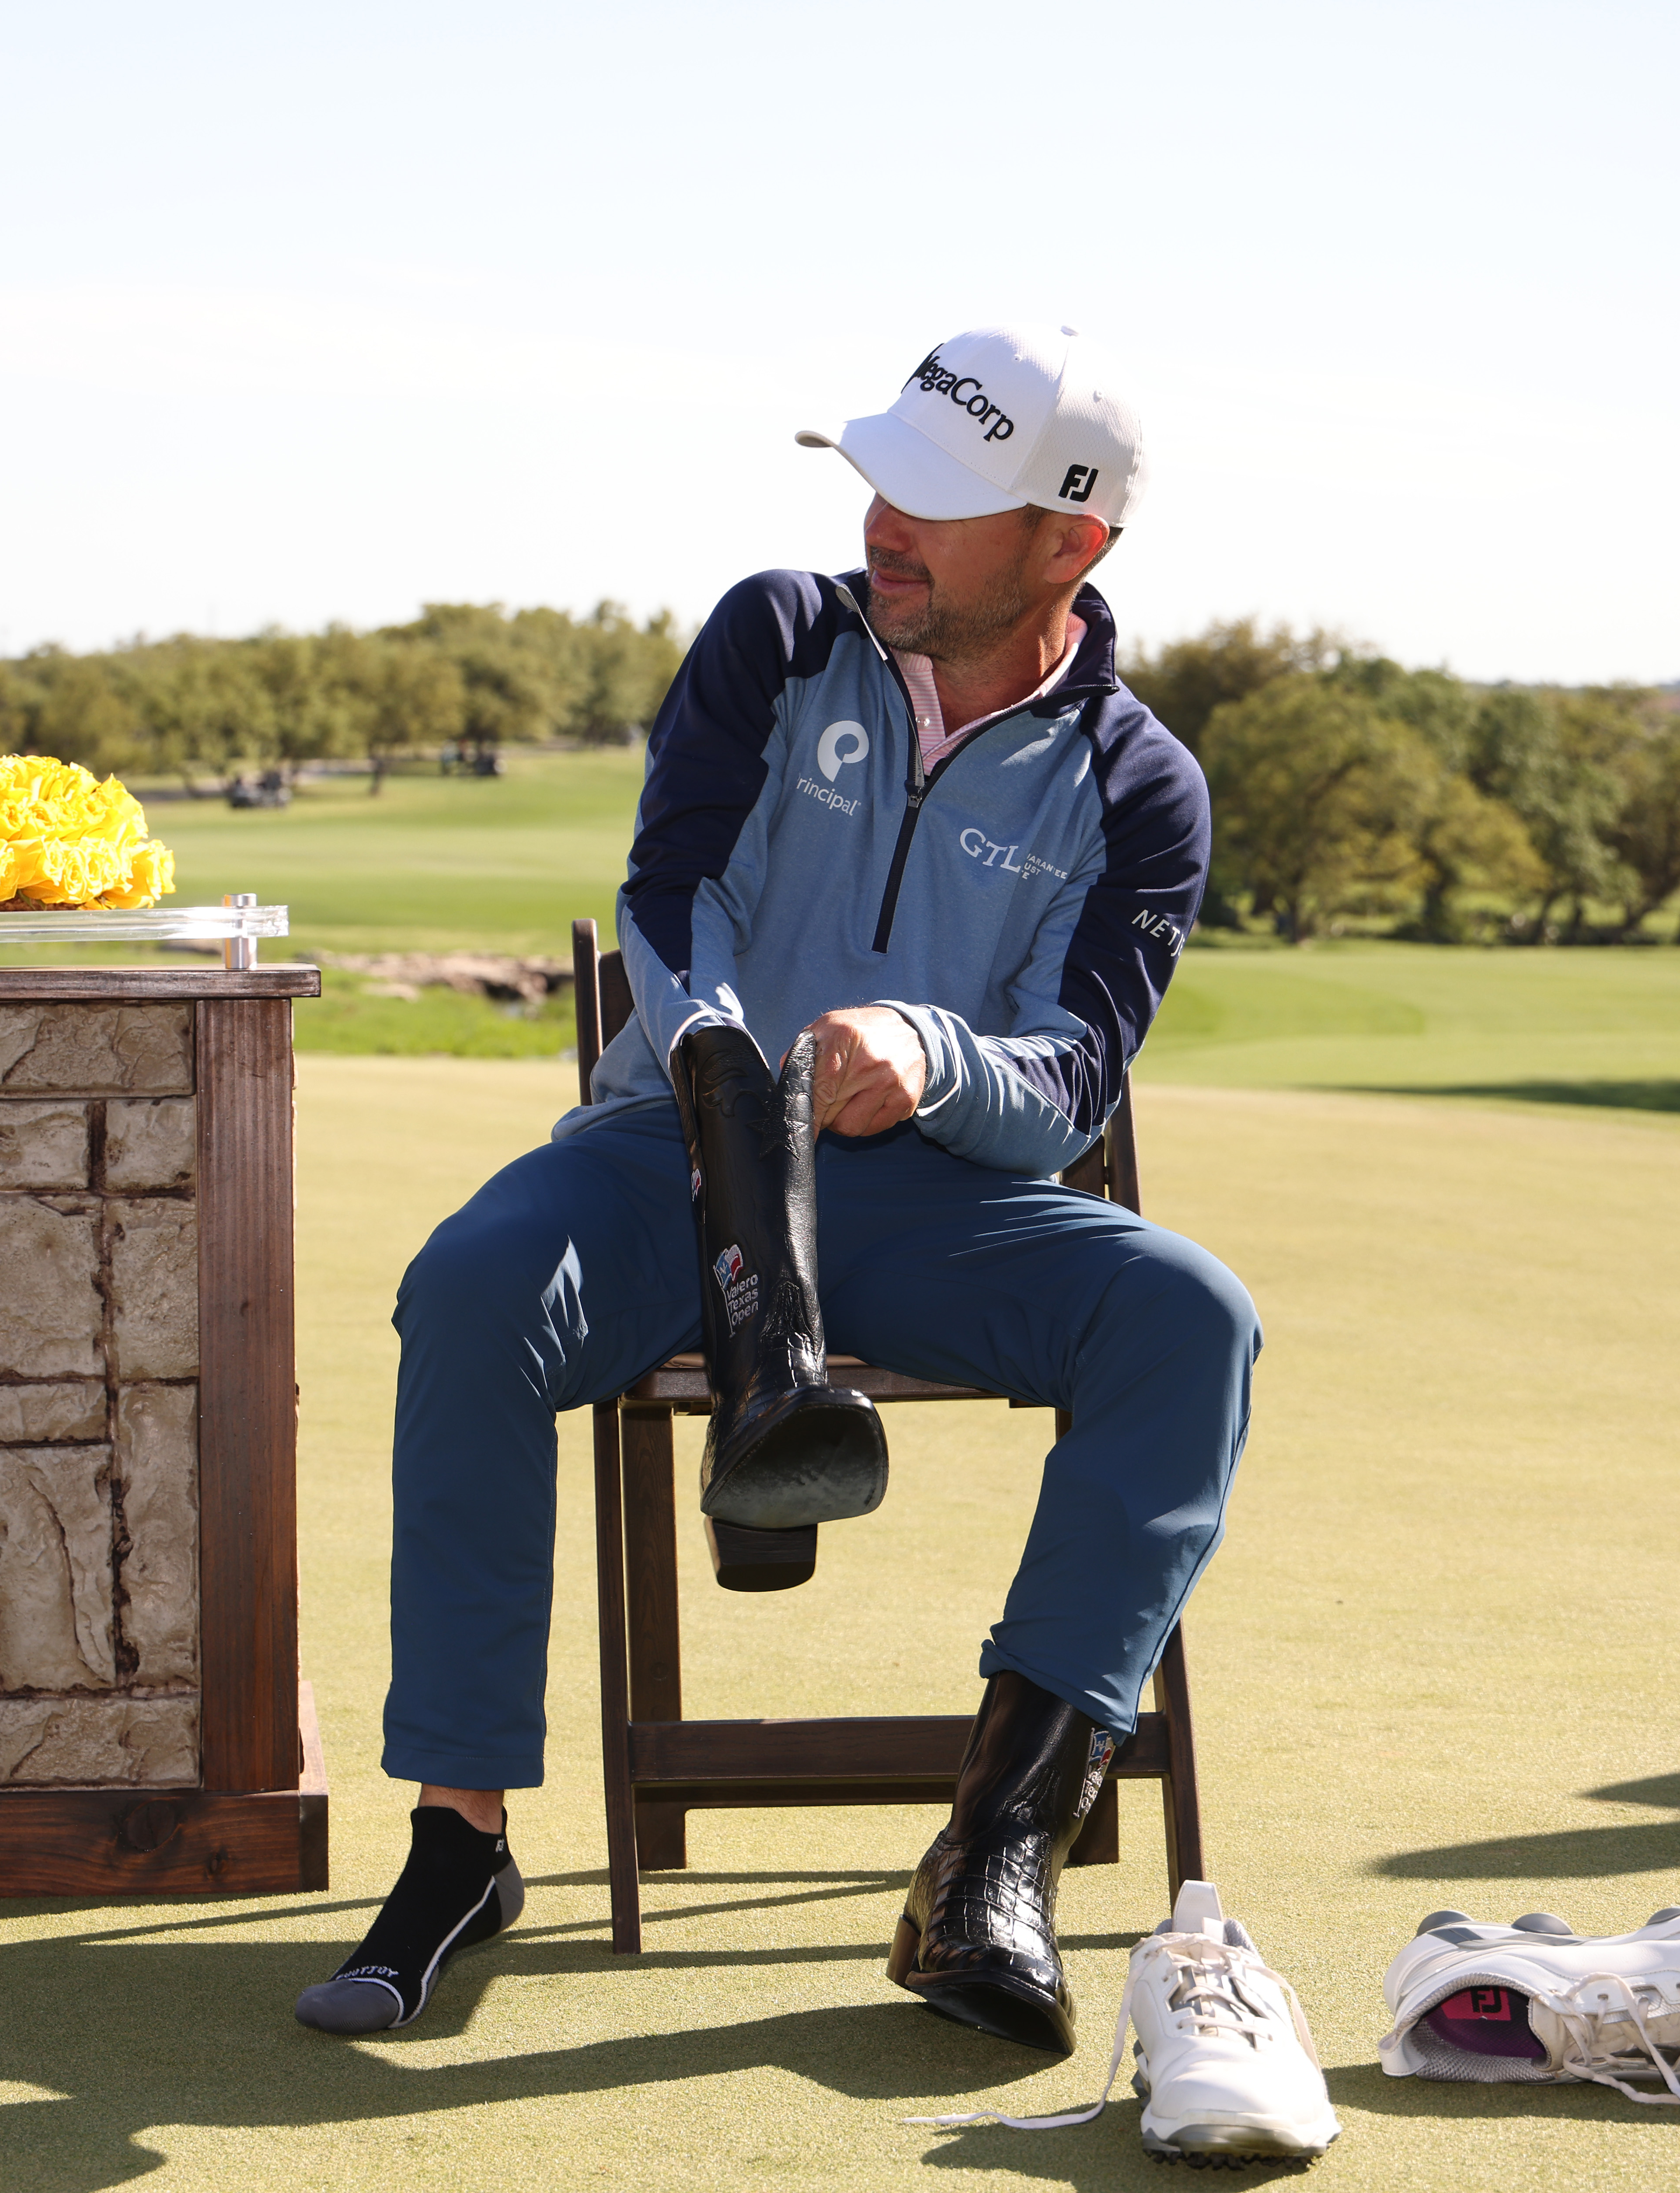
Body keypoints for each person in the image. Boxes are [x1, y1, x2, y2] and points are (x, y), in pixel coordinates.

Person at [298, 326, 1262, 2064]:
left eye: (940, 502)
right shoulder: (777, 628)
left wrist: (929, 1056)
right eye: (880, 478)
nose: (885, 521)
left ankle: (992, 1851)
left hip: (933, 1202)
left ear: (1070, 543)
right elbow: (668, 894)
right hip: (669, 1158)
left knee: (1189, 1314)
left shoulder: (1141, 789)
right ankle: (460, 1838)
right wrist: (733, 1082)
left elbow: (1065, 1085)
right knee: (468, 1284)